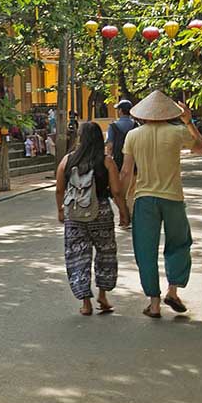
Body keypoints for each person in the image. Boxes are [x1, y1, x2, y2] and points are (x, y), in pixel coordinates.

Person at [120, 91, 202, 318]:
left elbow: (126, 171)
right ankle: (173, 291)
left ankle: (154, 303)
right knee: (179, 243)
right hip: (173, 198)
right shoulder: (178, 131)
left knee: (145, 250)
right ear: (167, 113)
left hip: (144, 199)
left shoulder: (133, 136)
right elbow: (201, 148)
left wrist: (121, 204)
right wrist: (189, 122)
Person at [56, 121, 130, 316]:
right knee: (105, 254)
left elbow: (59, 189)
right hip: (101, 212)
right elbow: (116, 191)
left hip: (75, 215)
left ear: (80, 137)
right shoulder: (106, 161)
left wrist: (60, 210)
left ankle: (85, 302)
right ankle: (103, 296)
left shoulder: (67, 160)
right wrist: (123, 212)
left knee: (78, 256)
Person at [105, 99, 137, 171]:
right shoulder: (136, 125)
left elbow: (110, 146)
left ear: (120, 110)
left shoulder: (112, 126)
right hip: (134, 160)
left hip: (118, 160)